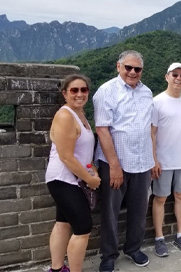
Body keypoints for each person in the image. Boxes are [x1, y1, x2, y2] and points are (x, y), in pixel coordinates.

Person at [93, 50, 154, 271]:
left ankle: (133, 248)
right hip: (115, 162)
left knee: (139, 209)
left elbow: (150, 128)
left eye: (137, 69)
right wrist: (115, 166)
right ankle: (108, 254)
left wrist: (153, 159)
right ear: (119, 66)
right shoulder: (106, 91)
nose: (132, 72)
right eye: (128, 67)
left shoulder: (147, 92)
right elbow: (102, 129)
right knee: (110, 211)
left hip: (142, 161)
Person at [45, 74, 101, 272]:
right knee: (83, 227)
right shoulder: (65, 115)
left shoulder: (80, 114)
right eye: (74, 90)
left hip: (72, 178)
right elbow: (67, 157)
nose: (79, 94)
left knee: (63, 222)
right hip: (63, 178)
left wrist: (91, 168)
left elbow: (81, 152)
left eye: (83, 90)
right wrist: (90, 180)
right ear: (65, 93)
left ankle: (57, 269)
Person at [151, 62, 181, 257]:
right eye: (175, 74)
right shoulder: (157, 102)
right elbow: (151, 133)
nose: (178, 78)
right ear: (167, 76)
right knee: (160, 198)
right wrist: (153, 159)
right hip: (163, 161)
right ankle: (159, 238)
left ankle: (180, 235)